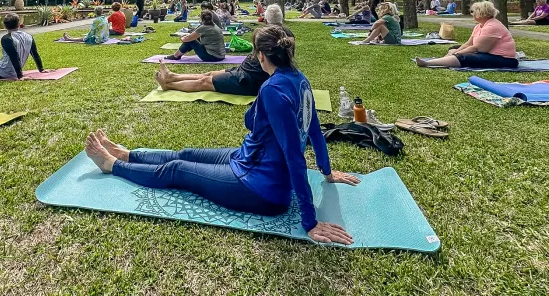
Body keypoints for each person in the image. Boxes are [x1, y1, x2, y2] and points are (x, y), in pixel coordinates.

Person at [86, 25, 360, 244]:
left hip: (260, 187)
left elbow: (294, 156)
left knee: (177, 169)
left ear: (261, 56)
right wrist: (326, 172)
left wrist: (310, 221)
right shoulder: (300, 80)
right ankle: (127, 153)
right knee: (186, 154)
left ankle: (113, 165)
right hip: (247, 159)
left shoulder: (273, 91)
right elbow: (314, 130)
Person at [158, 4, 293, 96]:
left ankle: (169, 85)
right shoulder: (289, 35)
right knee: (209, 73)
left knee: (204, 82)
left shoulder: (265, 34)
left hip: (248, 80)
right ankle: (172, 77)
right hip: (245, 71)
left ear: (266, 18)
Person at [416, 1, 518, 69]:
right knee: (454, 48)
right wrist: (456, 50)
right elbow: (468, 44)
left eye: (474, 11)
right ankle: (447, 59)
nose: (472, 13)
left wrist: (456, 54)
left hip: (504, 59)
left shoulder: (492, 26)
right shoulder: (479, 26)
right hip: (485, 52)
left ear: (482, 13)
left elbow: (477, 49)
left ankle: (428, 63)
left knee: (464, 56)